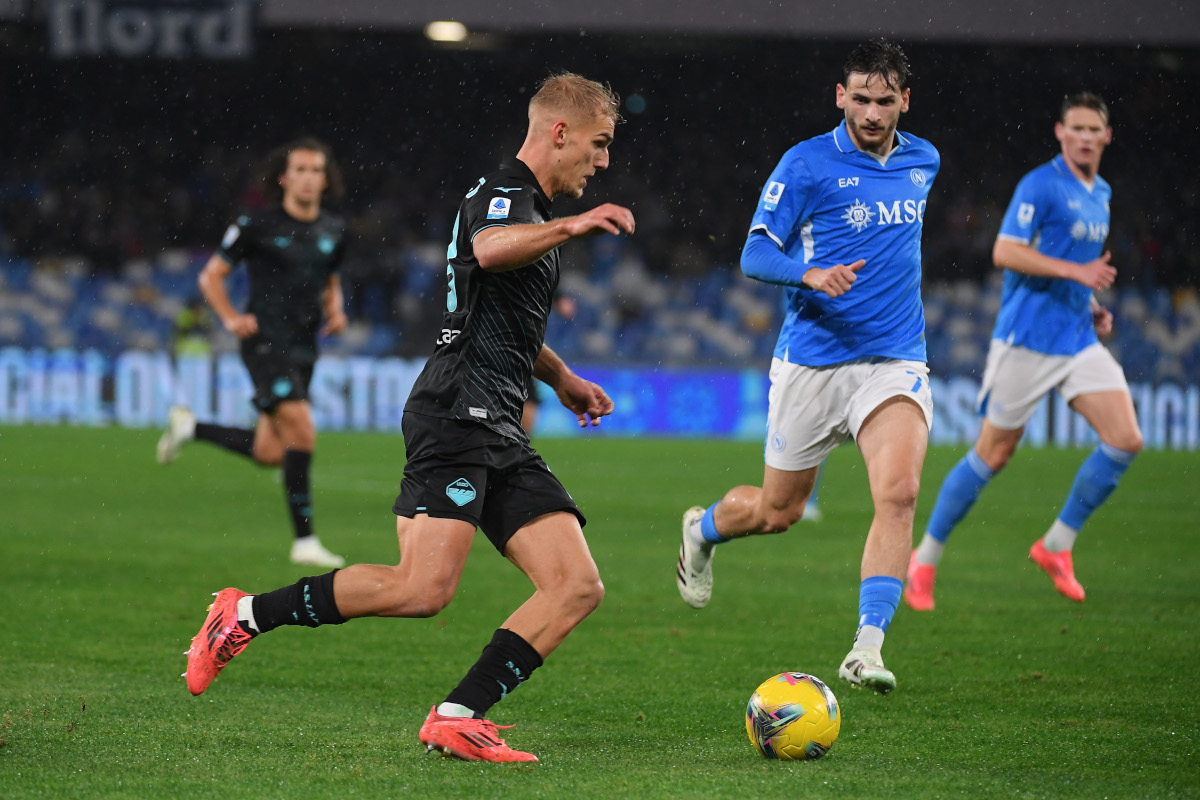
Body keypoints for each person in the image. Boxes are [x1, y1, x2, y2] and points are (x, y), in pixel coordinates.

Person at [182, 73, 635, 764]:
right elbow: (488, 249)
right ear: (560, 132)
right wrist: (571, 225)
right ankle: (240, 617)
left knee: (576, 585)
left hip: (499, 421)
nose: (602, 162)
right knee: (422, 589)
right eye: (599, 145)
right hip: (456, 411)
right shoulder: (504, 195)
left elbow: (499, 316)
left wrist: (563, 377)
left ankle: (457, 716)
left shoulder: (529, 211)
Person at [675, 39, 938, 695]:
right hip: (815, 363)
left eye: (885, 101)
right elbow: (754, 255)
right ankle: (702, 530)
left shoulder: (924, 160)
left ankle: (865, 647)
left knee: (899, 493)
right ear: (840, 96)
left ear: (904, 100)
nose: (873, 114)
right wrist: (809, 274)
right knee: (776, 512)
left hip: (895, 359)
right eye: (861, 99)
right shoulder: (807, 163)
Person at [905, 93, 1141, 611]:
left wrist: (1091, 302)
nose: (1083, 136)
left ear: (1106, 136)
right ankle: (923, 559)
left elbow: (1074, 262)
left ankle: (1057, 545)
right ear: (1060, 133)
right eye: (1074, 128)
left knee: (1125, 439)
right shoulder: (1040, 184)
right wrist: (1079, 275)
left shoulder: (1099, 191)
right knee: (993, 454)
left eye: (1092, 129)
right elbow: (1005, 251)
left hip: (1077, 338)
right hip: (1027, 342)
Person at [156, 137, 349, 568]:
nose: (307, 178)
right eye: (299, 169)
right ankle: (305, 542)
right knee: (302, 431)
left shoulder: (334, 230)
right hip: (265, 343)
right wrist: (229, 318)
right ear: (283, 178)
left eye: (315, 170)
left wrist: (336, 310)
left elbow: (330, 276)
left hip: (304, 347)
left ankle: (191, 428)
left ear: (324, 179)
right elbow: (211, 276)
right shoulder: (256, 224)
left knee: (270, 452)